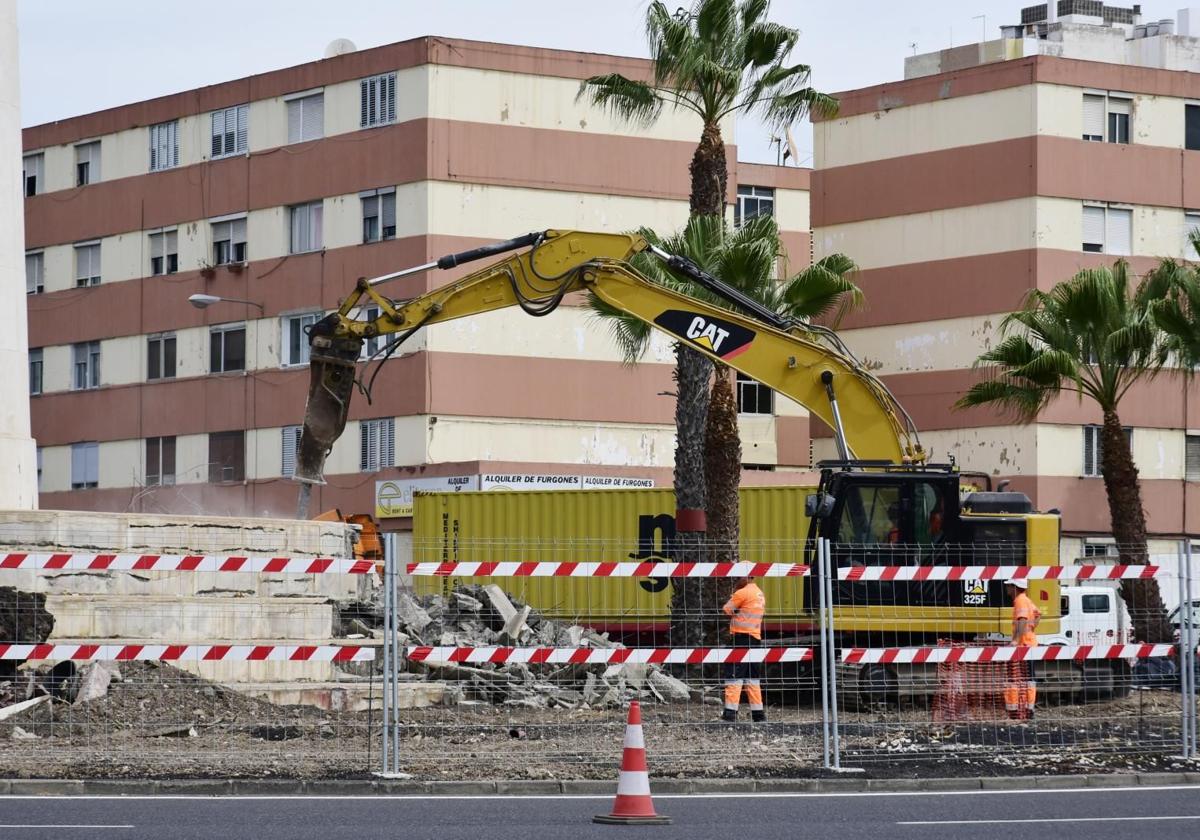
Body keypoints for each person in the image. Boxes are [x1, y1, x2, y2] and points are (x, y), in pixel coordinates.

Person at [721, 575, 766, 723]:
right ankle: (758, 714)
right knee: (752, 678)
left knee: (734, 675)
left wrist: (734, 593)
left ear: (745, 577)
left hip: (741, 639)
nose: (735, 579)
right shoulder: (759, 593)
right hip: (755, 639)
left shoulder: (742, 592)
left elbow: (727, 610)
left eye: (738, 576)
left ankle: (730, 713)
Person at [1003, 578, 1041, 720]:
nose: (1006, 588)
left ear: (1014, 587)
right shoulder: (1026, 599)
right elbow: (1038, 615)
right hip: (1029, 643)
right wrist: (1031, 628)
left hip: (1024, 645)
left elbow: (1022, 620)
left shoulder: (1020, 600)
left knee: (1017, 679)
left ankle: (1017, 710)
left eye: (1008, 585)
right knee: (1029, 678)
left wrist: (1016, 640)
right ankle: (1027, 709)